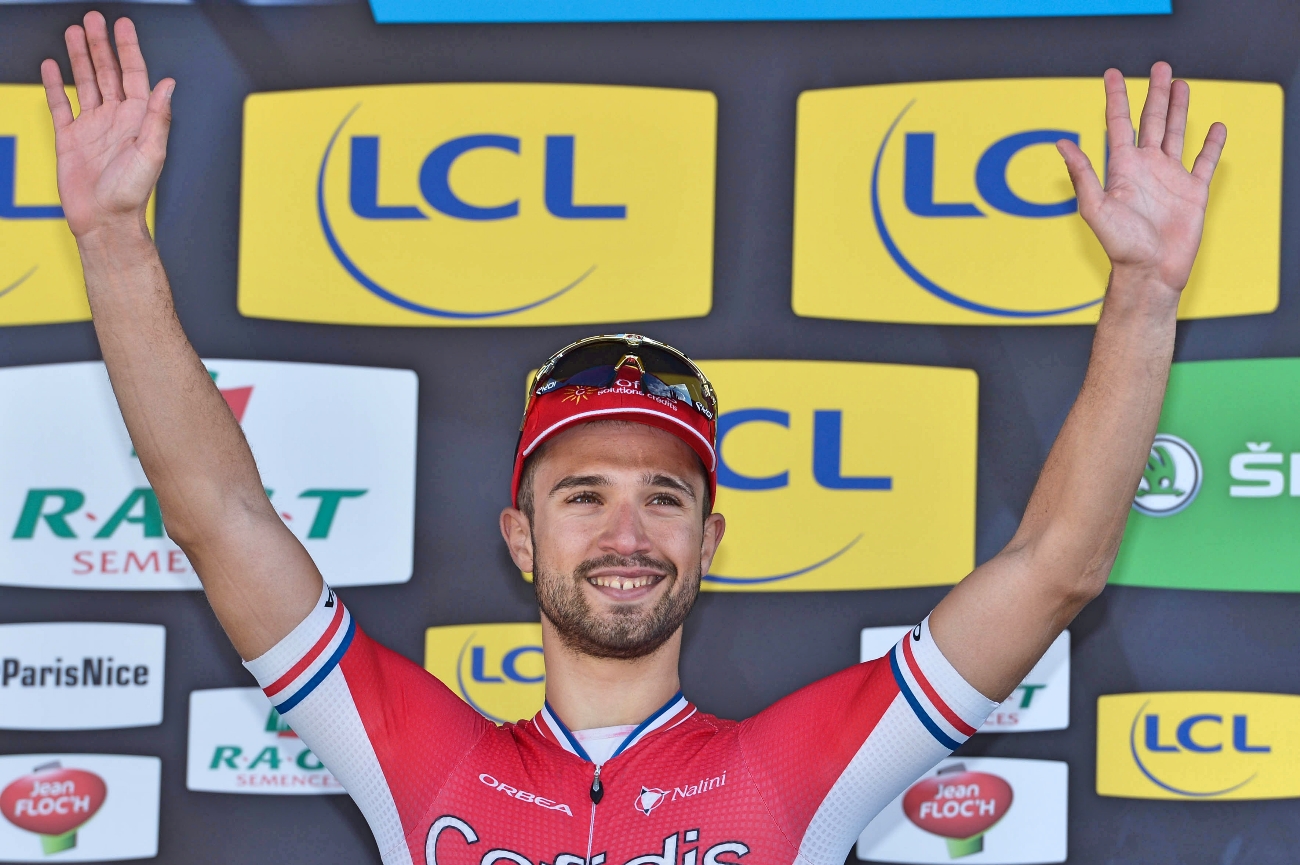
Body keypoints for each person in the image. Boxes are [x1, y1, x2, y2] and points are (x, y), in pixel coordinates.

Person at [40, 12, 1226, 865]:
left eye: (663, 496)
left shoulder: (791, 770)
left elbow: (1057, 565)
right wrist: (112, 242)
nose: (625, 531)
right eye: (581, 492)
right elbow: (215, 513)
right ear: (518, 534)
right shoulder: (425, 763)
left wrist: (1139, 291)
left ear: (710, 536)